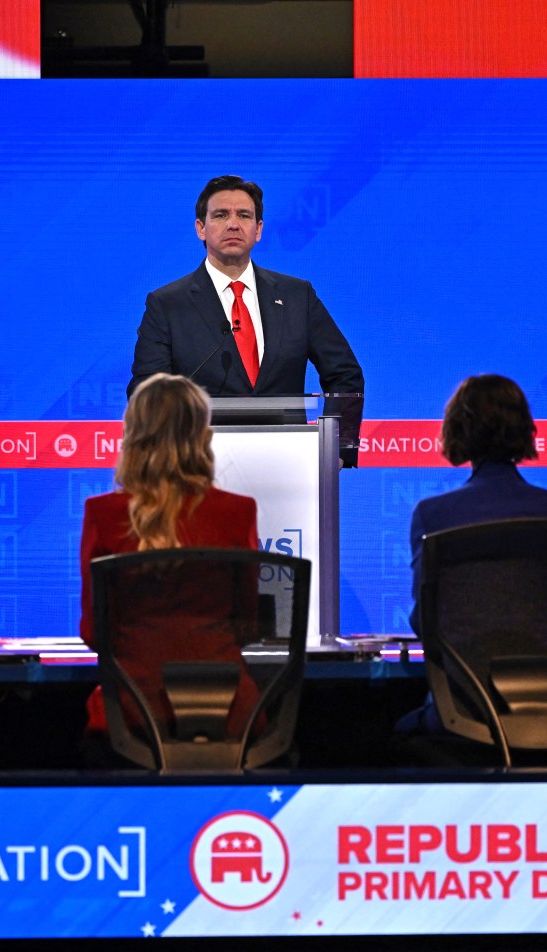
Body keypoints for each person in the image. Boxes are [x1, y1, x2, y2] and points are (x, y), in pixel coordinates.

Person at [128, 175, 365, 465]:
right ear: (200, 228)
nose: (233, 224)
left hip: (288, 468)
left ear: (258, 230)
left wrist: (336, 450)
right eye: (220, 215)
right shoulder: (167, 304)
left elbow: (344, 374)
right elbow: (148, 391)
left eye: (244, 215)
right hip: (198, 467)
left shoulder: (296, 296)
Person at [79, 373, 259, 740]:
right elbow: (250, 624)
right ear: (202, 438)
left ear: (132, 438)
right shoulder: (237, 512)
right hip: (228, 716)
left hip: (131, 718)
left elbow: (95, 633)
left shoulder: (102, 513)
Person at [399, 374, 547, 735]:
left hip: (461, 710)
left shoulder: (434, 514)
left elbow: (425, 624)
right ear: (525, 428)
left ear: (457, 431)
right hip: (546, 708)